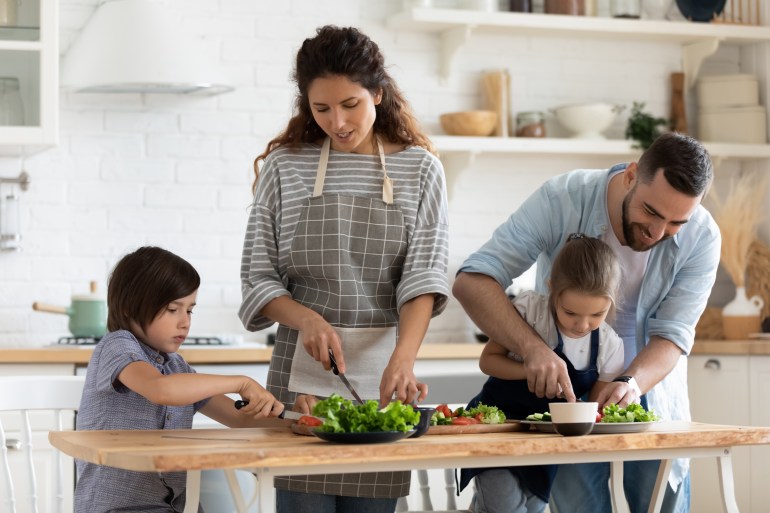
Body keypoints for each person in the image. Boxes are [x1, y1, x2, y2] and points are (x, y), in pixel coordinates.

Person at [238, 25, 449, 513]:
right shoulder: (284, 167)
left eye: (351, 104)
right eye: (322, 109)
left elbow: (423, 275)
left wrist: (405, 358)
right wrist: (306, 318)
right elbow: (258, 276)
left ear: (378, 92)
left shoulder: (420, 169)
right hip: (302, 382)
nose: (338, 121)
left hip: (383, 382)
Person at [453, 132, 721, 513]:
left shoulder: (704, 236)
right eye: (651, 213)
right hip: (566, 403)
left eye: (676, 222)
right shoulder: (563, 197)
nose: (658, 233)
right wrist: (533, 350)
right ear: (631, 175)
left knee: (662, 503)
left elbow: (673, 335)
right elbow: (473, 279)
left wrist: (630, 383)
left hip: (650, 393)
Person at [75, 246, 284, 513]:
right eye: (173, 309)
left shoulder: (175, 366)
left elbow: (239, 418)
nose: (185, 322)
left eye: (190, 310)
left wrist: (299, 422)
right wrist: (241, 382)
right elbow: (159, 389)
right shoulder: (117, 346)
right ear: (129, 308)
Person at [459, 234, 625, 513]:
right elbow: (488, 361)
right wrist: (530, 370)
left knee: (532, 507)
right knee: (504, 507)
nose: (583, 325)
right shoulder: (528, 310)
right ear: (552, 290)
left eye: (597, 314)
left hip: (545, 446)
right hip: (497, 428)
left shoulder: (609, 346)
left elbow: (593, 410)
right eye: (570, 312)